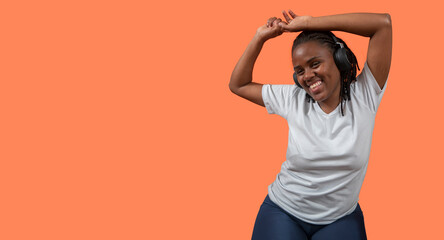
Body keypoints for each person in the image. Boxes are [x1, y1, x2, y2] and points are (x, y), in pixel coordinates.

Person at [228, 10, 392, 240]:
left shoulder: (365, 95)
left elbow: (382, 24)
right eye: (299, 71)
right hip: (283, 211)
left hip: (340, 218)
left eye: (315, 64)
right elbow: (239, 84)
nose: (307, 76)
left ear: (339, 59)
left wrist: (310, 23)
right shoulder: (293, 98)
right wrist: (259, 37)